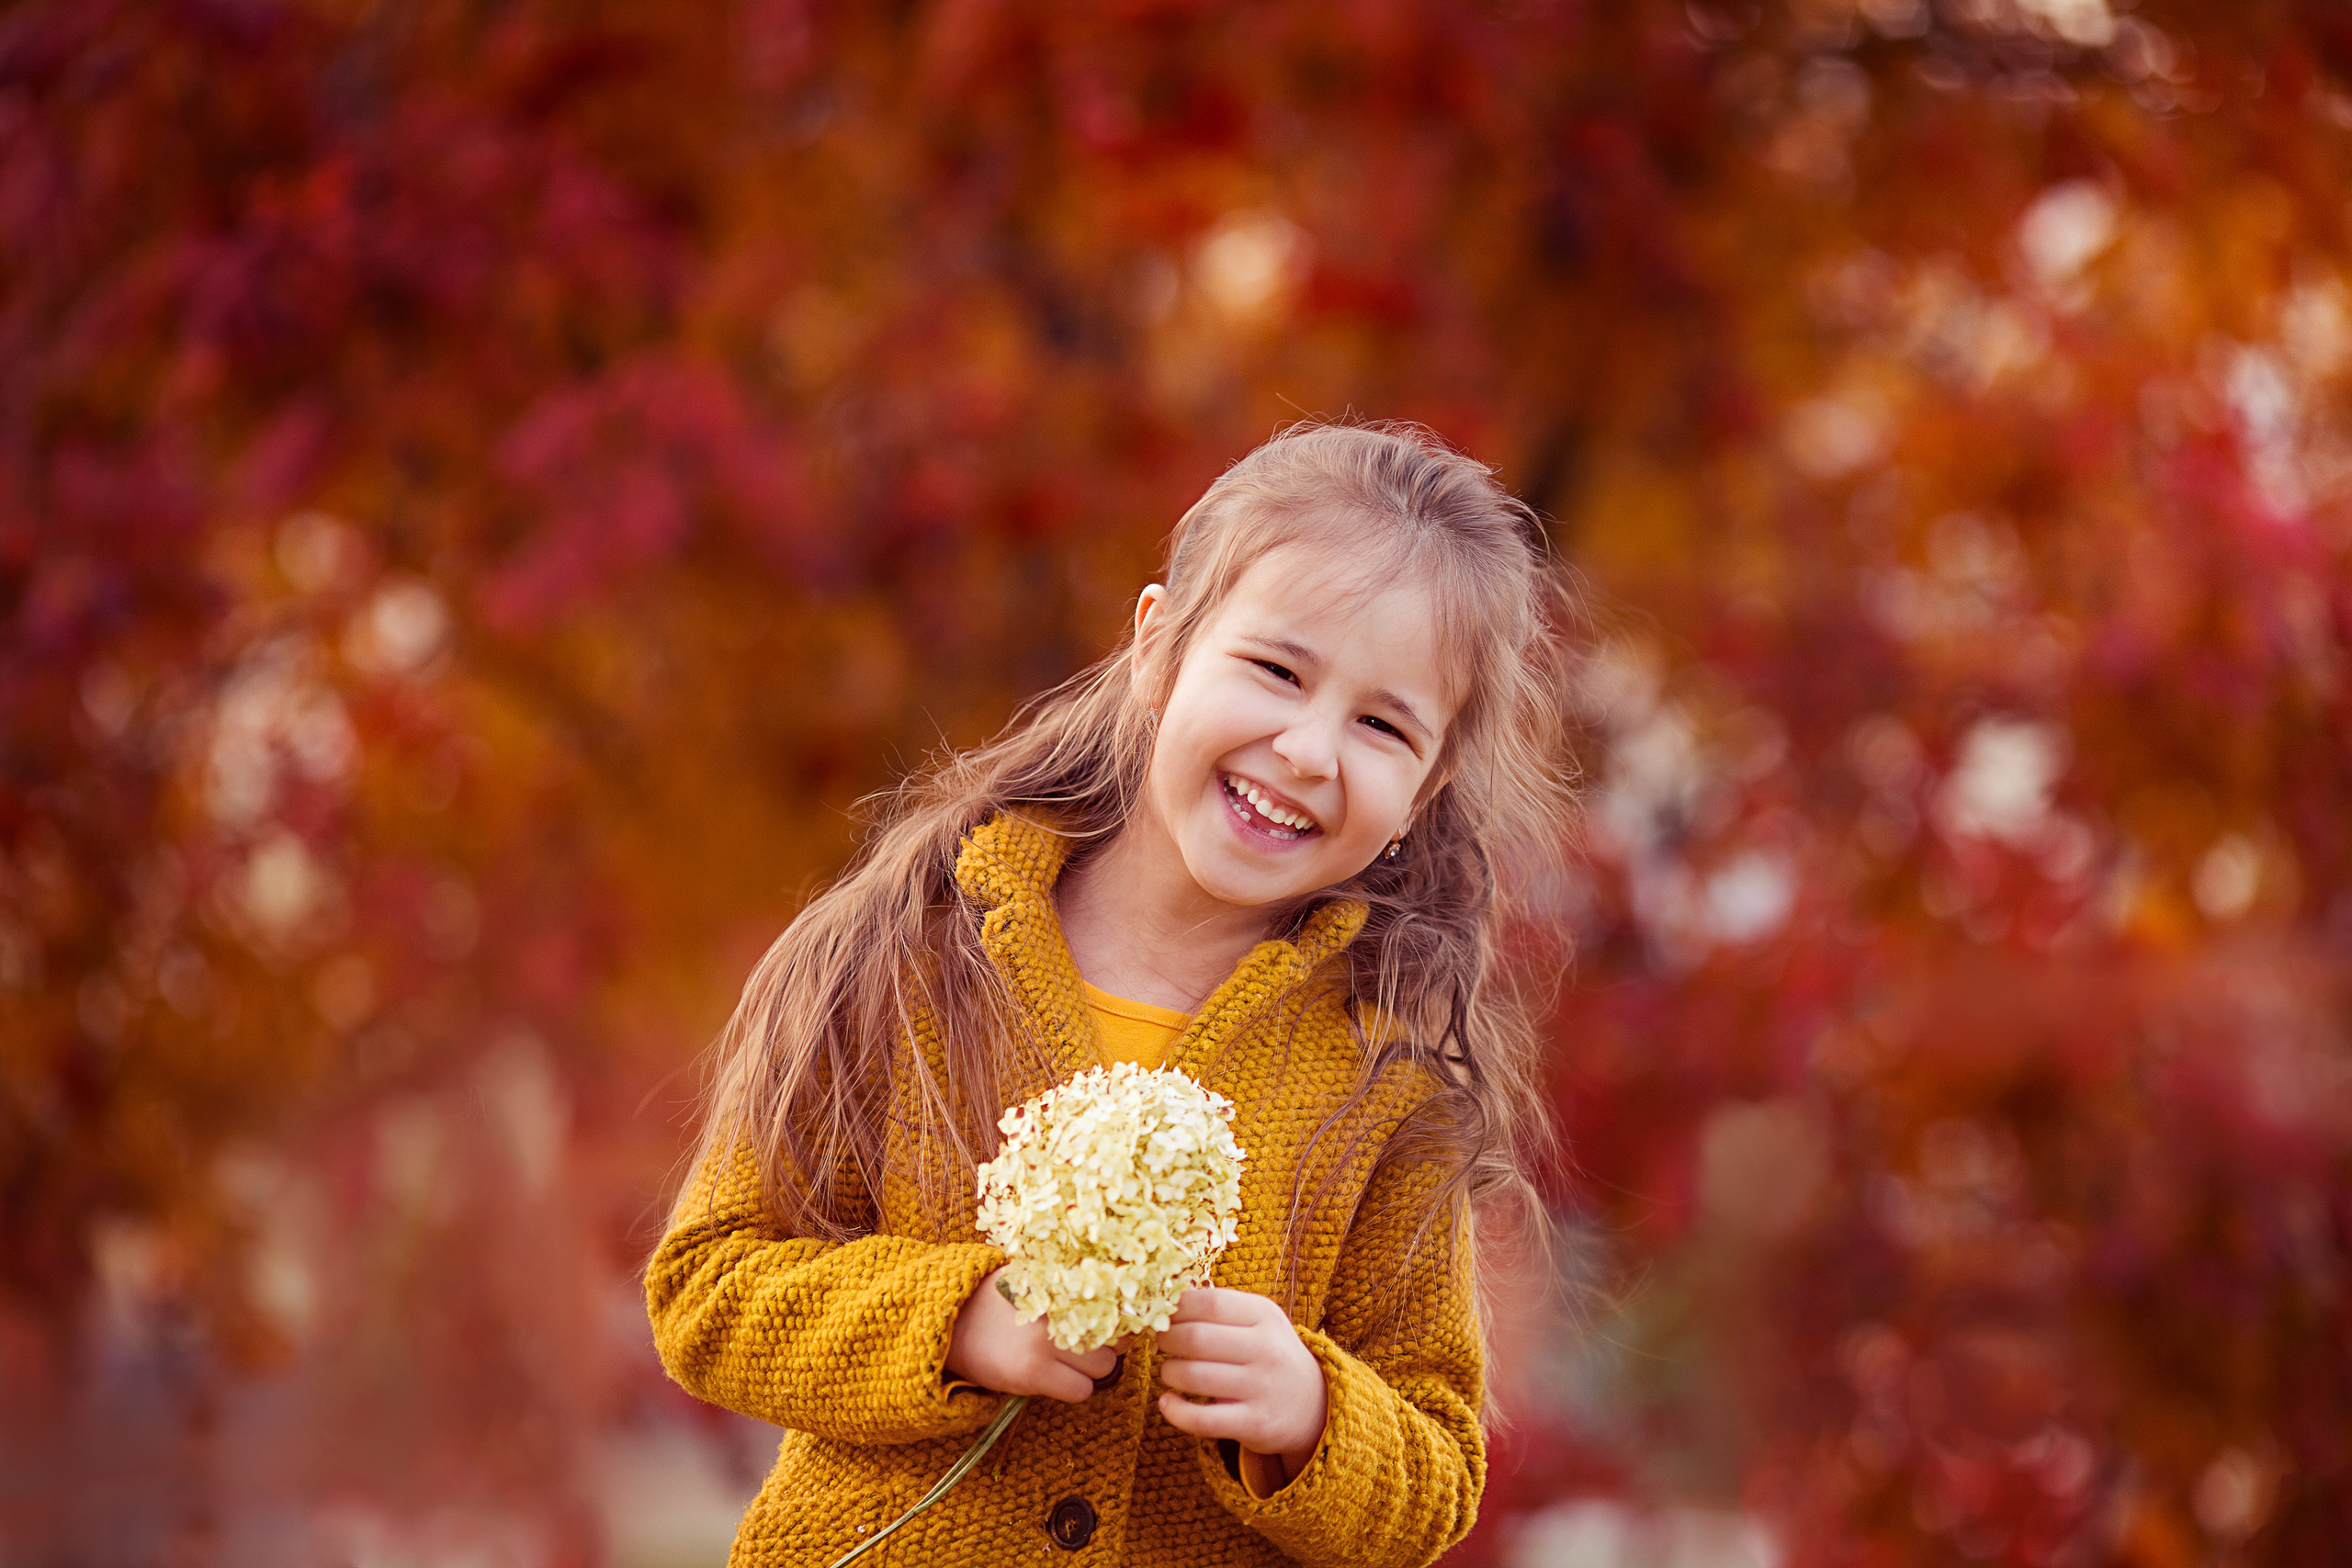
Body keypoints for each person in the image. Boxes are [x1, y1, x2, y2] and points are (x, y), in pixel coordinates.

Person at [646, 421, 1577, 1568]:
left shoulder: (1381, 1075)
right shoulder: (917, 956)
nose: (1305, 749)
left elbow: (1434, 1473)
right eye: (1276, 670)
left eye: (1382, 725)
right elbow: (709, 1289)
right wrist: (958, 1324)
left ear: (1425, 786)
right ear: (1158, 650)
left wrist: (1313, 1416)